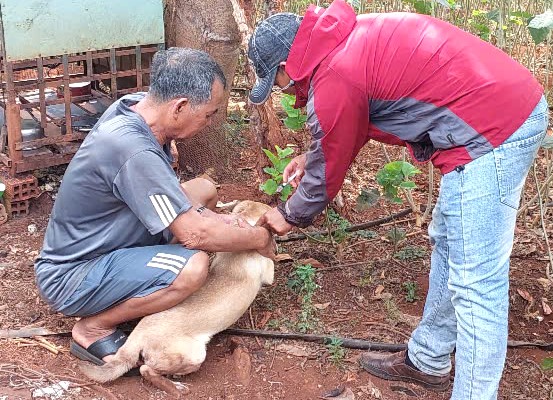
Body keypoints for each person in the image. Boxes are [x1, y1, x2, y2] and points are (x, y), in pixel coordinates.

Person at [248, 1, 548, 399]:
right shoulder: (339, 43)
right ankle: (429, 358)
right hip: (499, 111)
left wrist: (289, 214)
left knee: (477, 284)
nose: (283, 91)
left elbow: (327, 172)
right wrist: (309, 156)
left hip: (492, 130)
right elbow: (344, 129)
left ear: (288, 64)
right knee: (448, 239)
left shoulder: (335, 72)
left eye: (278, 80)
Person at [35, 48, 275, 366]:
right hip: (75, 273)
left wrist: (218, 222)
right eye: (209, 114)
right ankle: (94, 328)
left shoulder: (138, 108)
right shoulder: (133, 150)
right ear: (179, 107)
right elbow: (195, 234)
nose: (210, 121)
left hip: (113, 236)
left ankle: (146, 278)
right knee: (193, 268)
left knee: (202, 189)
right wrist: (259, 239)